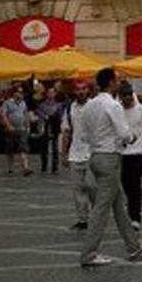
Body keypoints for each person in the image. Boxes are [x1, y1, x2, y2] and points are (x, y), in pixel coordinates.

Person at [78, 68, 142, 266]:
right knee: (101, 208)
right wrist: (132, 137)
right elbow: (124, 134)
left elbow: (83, 135)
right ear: (110, 82)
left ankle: (133, 245)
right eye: (117, 80)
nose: (119, 83)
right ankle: (88, 253)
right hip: (110, 157)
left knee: (118, 204)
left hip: (94, 156)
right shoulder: (113, 105)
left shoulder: (89, 105)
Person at [61, 80, 96, 231]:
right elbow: (67, 131)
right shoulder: (70, 108)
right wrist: (64, 153)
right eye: (78, 89)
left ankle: (96, 216)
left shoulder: (94, 106)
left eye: (83, 89)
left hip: (92, 152)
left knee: (92, 186)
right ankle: (83, 219)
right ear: (74, 91)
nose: (81, 92)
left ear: (88, 90)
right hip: (75, 153)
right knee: (77, 188)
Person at [118, 82, 142, 230]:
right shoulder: (117, 110)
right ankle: (131, 204)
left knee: (135, 183)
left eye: (129, 95)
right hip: (122, 152)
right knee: (125, 182)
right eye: (124, 95)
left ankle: (135, 216)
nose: (127, 98)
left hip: (138, 152)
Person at [0, 85, 33, 176]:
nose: (20, 94)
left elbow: (25, 114)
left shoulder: (23, 103)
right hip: (10, 130)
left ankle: (26, 167)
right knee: (10, 149)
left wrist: (28, 126)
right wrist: (8, 125)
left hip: (21, 129)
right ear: (14, 93)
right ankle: (10, 168)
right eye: (18, 92)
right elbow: (4, 115)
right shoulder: (7, 103)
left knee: (23, 148)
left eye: (21, 92)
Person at [33, 83, 64, 174]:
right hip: (45, 126)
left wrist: (54, 117)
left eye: (52, 93)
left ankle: (55, 167)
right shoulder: (42, 105)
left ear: (55, 94)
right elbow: (39, 113)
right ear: (46, 94)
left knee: (55, 148)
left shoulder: (58, 105)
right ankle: (44, 166)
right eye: (49, 92)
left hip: (54, 126)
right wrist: (45, 117)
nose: (50, 94)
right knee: (44, 148)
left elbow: (60, 115)